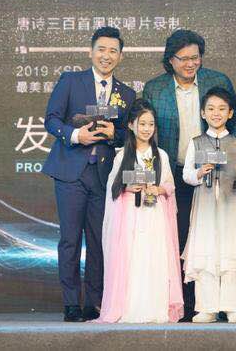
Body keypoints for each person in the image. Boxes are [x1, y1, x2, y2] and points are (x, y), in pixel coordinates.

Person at [143, 29, 236, 321]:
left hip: (217, 175)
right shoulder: (155, 88)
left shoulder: (217, 81)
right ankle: (190, 305)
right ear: (170, 60)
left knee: (219, 236)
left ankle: (224, 304)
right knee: (181, 237)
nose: (190, 64)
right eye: (183, 58)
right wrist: (150, 175)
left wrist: (235, 160)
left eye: (195, 57)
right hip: (175, 173)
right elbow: (145, 132)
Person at [42, 27, 136, 322]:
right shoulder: (71, 81)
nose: (106, 56)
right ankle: (71, 303)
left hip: (104, 177)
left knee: (99, 241)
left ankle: (94, 303)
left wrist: (113, 134)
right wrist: (75, 135)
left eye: (113, 51)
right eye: (101, 49)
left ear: (120, 56)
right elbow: (51, 119)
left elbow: (129, 135)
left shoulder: (126, 94)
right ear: (90, 52)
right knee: (70, 240)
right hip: (71, 172)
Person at [96, 99, 184, 323]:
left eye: (151, 124)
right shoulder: (122, 155)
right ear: (131, 125)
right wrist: (127, 187)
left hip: (154, 216)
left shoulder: (161, 155)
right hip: (130, 218)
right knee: (133, 261)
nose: (147, 129)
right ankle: (131, 308)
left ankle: (156, 309)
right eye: (142, 124)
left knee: (155, 259)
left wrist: (158, 189)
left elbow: (170, 185)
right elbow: (112, 186)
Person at [181, 87, 236, 323]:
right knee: (206, 251)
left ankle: (233, 307)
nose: (216, 113)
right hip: (204, 206)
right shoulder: (196, 143)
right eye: (211, 109)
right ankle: (207, 307)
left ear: (230, 113)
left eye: (222, 109)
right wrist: (198, 173)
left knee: (230, 251)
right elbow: (186, 175)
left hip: (230, 207)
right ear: (203, 113)